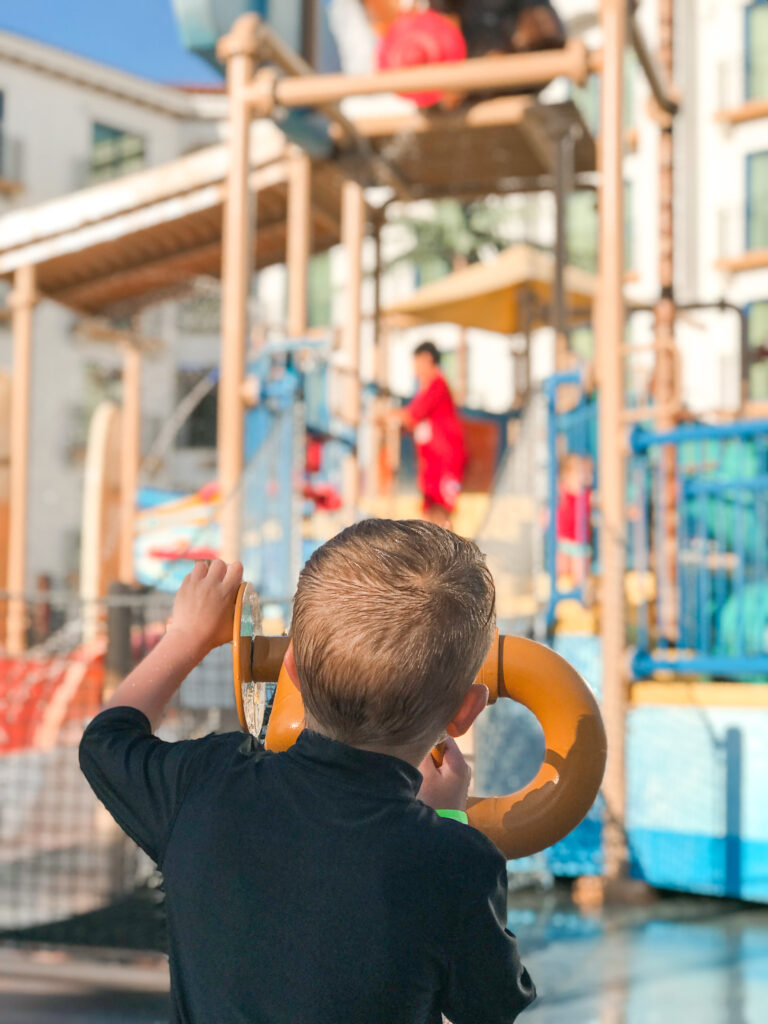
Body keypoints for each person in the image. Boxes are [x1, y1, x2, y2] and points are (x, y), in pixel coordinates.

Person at [80, 520, 535, 1024]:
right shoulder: (456, 862)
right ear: (466, 711)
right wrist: (444, 819)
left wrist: (185, 637)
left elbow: (106, 741)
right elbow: (493, 1008)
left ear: (290, 668)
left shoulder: (203, 785)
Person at [390, 341, 467, 530]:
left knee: (442, 515)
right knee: (431, 514)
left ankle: (451, 558)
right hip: (431, 463)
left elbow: (411, 416)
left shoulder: (437, 385)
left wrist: (385, 415)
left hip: (445, 461)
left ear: (427, 359)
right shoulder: (425, 388)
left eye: (416, 362)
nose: (414, 368)